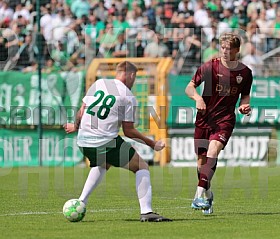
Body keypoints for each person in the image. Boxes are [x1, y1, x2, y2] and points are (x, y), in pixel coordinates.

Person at [64, 61, 172, 222]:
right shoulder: (128, 96)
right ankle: (147, 212)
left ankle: (81, 202)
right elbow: (128, 131)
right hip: (104, 142)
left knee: (103, 163)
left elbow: (82, 110)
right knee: (141, 166)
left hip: (83, 140)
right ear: (131, 75)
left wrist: (75, 126)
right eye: (134, 78)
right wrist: (152, 143)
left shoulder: (99, 83)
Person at [185, 33, 253, 215]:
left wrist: (245, 105)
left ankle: (197, 197)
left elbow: (245, 95)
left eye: (228, 48)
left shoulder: (245, 73)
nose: (224, 51)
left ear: (237, 51)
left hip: (225, 120)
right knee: (201, 163)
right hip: (203, 119)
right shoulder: (209, 66)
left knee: (212, 152)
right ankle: (207, 193)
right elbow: (189, 87)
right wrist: (197, 98)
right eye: (222, 47)